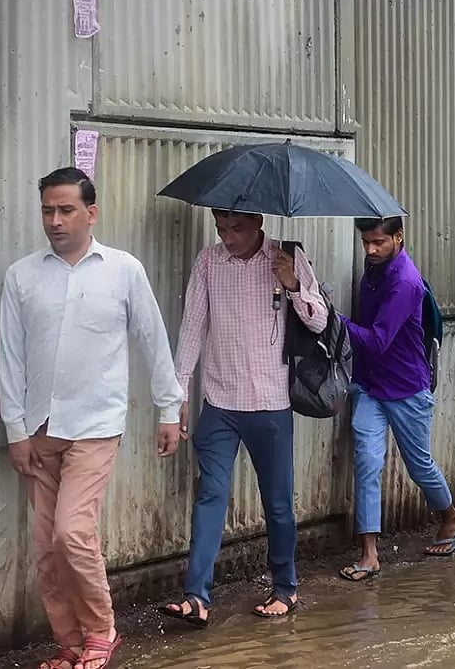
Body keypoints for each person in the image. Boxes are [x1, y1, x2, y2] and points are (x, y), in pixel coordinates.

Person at [0, 167, 184, 669]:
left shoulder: (123, 270)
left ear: (91, 212)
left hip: (96, 426)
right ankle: (70, 644)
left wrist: (169, 409)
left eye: (66, 210)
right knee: (46, 546)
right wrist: (16, 431)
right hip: (39, 427)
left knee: (71, 534)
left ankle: (102, 632)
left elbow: (153, 340)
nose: (55, 221)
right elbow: (10, 357)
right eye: (48, 211)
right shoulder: (22, 276)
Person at [161, 210, 328, 623]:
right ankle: (197, 596)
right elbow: (192, 327)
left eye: (237, 228)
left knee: (277, 503)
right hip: (220, 403)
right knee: (210, 495)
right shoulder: (208, 262)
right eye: (221, 228)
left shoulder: (286, 256)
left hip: (271, 404)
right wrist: (177, 393)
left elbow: (319, 321)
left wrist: (292, 285)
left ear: (258, 222)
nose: (229, 237)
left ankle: (285, 587)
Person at [338, 216, 455, 582]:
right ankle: (369, 554)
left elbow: (378, 339)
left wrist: (333, 319)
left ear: (398, 236)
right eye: (365, 242)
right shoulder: (373, 270)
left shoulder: (406, 281)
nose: (370, 249)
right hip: (370, 385)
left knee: (419, 465)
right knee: (367, 462)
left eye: (378, 242)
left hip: (407, 387)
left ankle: (451, 516)